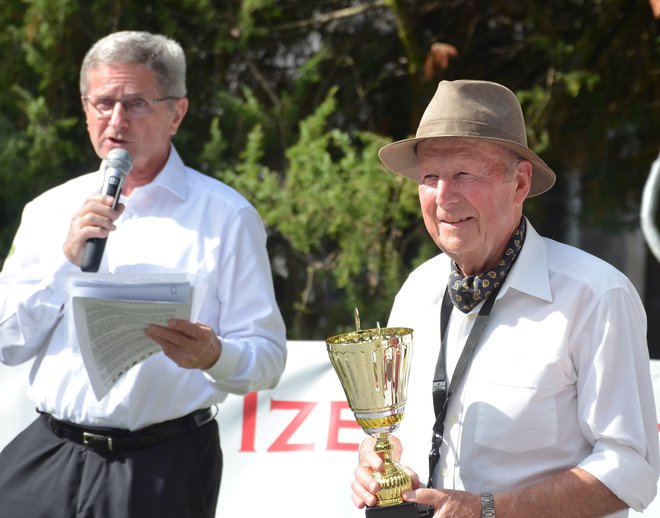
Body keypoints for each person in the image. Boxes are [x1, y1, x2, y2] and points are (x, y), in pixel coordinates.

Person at [0, 31, 286, 518]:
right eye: (103, 103)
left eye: (135, 103)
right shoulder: (49, 211)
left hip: (161, 466)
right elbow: (7, 342)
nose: (115, 121)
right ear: (85, 109)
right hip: (50, 453)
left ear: (177, 113)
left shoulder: (226, 217)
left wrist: (214, 354)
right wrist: (65, 261)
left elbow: (268, 357)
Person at [351, 80, 659, 517]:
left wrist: (494, 510)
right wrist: (376, 459)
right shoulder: (417, 290)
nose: (443, 197)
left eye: (463, 174)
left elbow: (632, 467)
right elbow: (400, 429)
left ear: (520, 183)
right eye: (429, 177)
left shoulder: (596, 296)